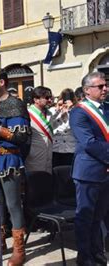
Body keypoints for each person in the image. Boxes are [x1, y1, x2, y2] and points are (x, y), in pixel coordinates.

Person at [0, 68, 31, 265]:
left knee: (13, 205)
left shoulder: (15, 105)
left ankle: (19, 250)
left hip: (9, 160)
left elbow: (22, 137)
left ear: (2, 82)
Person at [69, 71, 109, 266]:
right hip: (89, 172)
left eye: (106, 85)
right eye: (100, 86)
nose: (105, 89)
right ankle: (84, 256)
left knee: (99, 217)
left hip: (105, 171)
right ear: (87, 90)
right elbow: (89, 143)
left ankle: (97, 252)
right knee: (86, 217)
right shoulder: (79, 112)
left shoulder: (107, 108)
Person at [25, 86, 57, 174]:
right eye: (46, 98)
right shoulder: (28, 113)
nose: (49, 100)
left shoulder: (50, 113)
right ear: (36, 99)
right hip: (34, 157)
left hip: (48, 155)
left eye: (50, 98)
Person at [50, 88, 77, 167]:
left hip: (70, 149)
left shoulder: (76, 111)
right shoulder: (53, 111)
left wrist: (70, 111)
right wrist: (58, 110)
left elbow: (73, 126)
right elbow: (48, 126)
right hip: (56, 148)